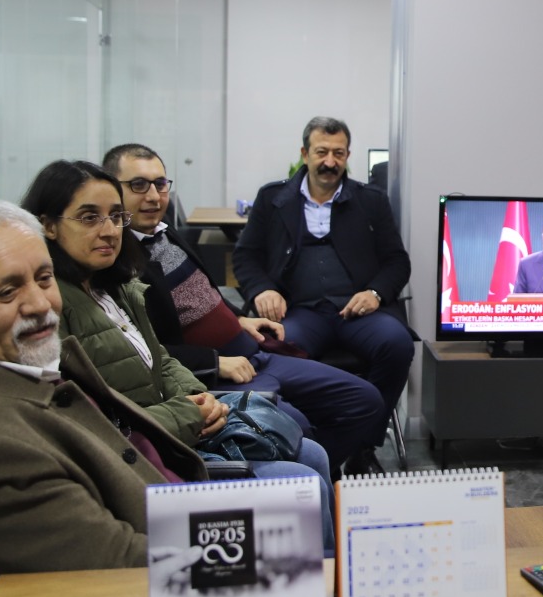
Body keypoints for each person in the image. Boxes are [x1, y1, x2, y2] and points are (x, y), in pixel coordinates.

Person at [0, 200, 210, 597]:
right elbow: (128, 570)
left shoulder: (7, 368)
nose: (41, 305)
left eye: (44, 279)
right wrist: (264, 550)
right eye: (7, 292)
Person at [20, 160, 336, 547]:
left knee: (315, 455)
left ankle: (324, 577)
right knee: (303, 482)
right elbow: (91, 428)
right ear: (48, 225)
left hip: (177, 428)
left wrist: (198, 397)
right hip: (143, 460)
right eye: (89, 218)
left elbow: (161, 360)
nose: (109, 230)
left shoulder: (114, 286)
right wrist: (189, 413)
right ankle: (314, 580)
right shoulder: (51, 308)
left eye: (115, 216)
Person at [102, 142, 386, 474]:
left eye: (160, 184)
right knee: (297, 428)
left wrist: (240, 319)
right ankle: (307, 478)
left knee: (365, 400)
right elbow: (144, 351)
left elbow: (207, 294)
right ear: (113, 192)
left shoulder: (164, 232)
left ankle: (318, 474)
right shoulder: (118, 262)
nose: (153, 196)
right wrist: (216, 362)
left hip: (252, 351)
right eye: (138, 185)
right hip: (218, 373)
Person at [232, 116, 415, 448]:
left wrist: (375, 293)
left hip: (358, 314)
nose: (330, 162)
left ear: (348, 156)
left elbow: (396, 261)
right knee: (273, 351)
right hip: (300, 312)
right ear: (305, 154)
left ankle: (362, 443)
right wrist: (262, 289)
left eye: (338, 153)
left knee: (398, 345)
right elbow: (246, 257)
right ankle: (308, 443)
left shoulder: (371, 200)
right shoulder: (273, 198)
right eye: (321, 152)